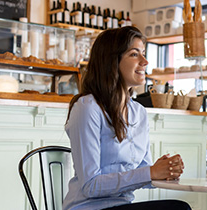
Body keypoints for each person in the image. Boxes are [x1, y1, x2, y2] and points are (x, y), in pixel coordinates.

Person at [63, 26, 191, 210]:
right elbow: (90, 185)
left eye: (144, 54)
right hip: (88, 207)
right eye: (134, 54)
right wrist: (150, 172)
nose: (145, 61)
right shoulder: (87, 108)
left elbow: (144, 175)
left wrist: (164, 172)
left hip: (121, 206)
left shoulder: (139, 112)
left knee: (179, 207)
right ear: (112, 61)